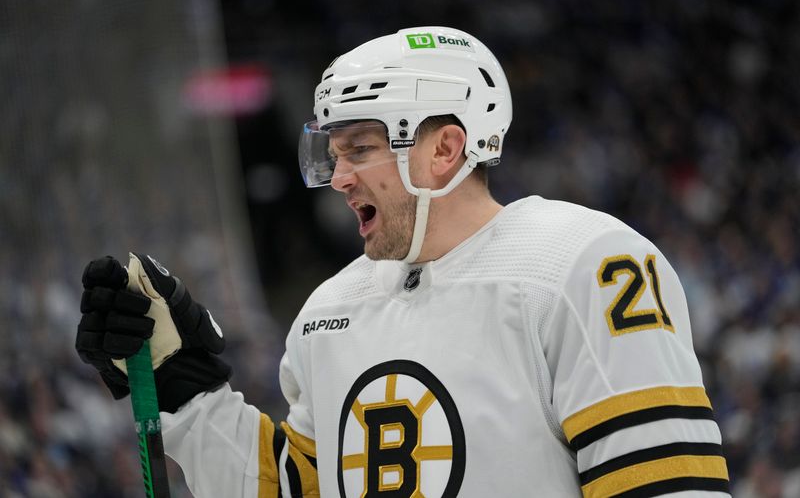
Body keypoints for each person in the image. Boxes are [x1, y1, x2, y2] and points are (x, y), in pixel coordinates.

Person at [76, 26, 731, 497]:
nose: (339, 177)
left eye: (360, 148)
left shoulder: (585, 265)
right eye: (332, 153)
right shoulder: (330, 310)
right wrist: (187, 395)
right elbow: (299, 487)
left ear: (444, 150)